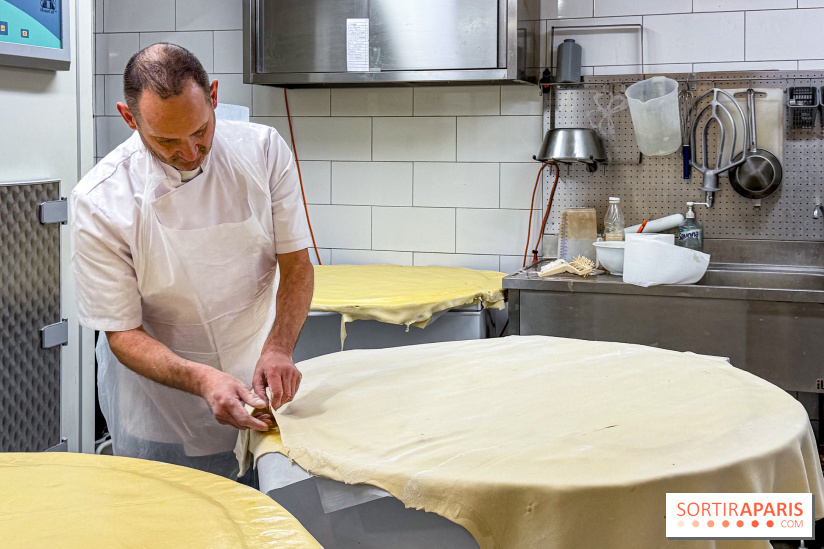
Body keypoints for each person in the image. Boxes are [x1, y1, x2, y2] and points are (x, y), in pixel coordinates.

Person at [71, 43, 314, 478]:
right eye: (166, 140)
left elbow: (296, 265)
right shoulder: (100, 199)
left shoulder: (262, 151)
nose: (188, 151)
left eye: (200, 131)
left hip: (254, 379)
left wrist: (279, 346)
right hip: (160, 405)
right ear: (129, 119)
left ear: (214, 95)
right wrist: (203, 379)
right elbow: (123, 334)